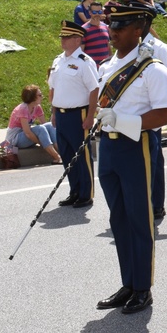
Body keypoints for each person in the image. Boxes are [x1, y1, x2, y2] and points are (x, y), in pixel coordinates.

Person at [93, 4, 167, 315]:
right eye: (112, 26)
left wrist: (123, 120)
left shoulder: (153, 69)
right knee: (119, 218)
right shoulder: (106, 67)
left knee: (140, 219)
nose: (113, 32)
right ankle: (127, 282)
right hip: (109, 148)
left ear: (138, 30)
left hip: (136, 145)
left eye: (121, 27)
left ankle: (142, 287)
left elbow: (164, 114)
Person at [48, 21, 100, 207]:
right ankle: (74, 190)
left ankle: (86, 194)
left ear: (77, 40)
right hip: (61, 115)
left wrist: (90, 116)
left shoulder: (85, 62)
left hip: (78, 114)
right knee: (68, 154)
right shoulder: (58, 60)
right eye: (62, 36)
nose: (62, 40)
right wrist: (54, 113)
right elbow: (53, 88)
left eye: (67, 37)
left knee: (82, 156)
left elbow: (94, 89)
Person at [138, 9, 167, 218]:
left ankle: (156, 204)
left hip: (152, 115)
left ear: (145, 22)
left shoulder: (159, 47)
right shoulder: (129, 47)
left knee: (154, 162)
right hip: (132, 116)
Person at [5, 85, 62, 163]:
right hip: (15, 139)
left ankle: (62, 152)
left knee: (50, 125)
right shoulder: (23, 108)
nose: (42, 96)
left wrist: (46, 139)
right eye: (39, 95)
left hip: (24, 135)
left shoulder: (37, 107)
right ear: (32, 97)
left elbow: (45, 125)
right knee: (40, 129)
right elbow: (28, 133)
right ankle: (57, 157)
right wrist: (42, 142)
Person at [83, 0, 111, 64]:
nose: (97, 14)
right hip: (91, 68)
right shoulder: (84, 29)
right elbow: (81, 51)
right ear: (90, 12)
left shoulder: (105, 27)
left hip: (105, 67)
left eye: (100, 12)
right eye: (94, 12)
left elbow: (108, 45)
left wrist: (111, 59)